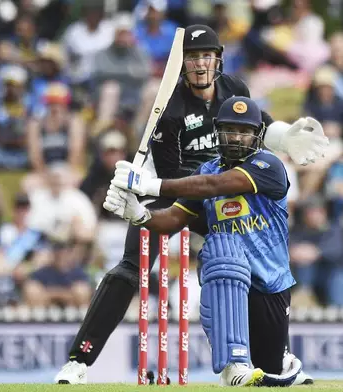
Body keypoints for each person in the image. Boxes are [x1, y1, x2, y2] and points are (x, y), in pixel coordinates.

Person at [54, 24, 326, 384]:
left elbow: (257, 126)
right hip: (172, 190)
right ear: (182, 65)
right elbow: (172, 177)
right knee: (129, 270)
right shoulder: (170, 108)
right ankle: (79, 361)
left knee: (256, 256)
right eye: (193, 57)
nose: (200, 65)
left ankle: (276, 353)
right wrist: (144, 203)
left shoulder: (235, 89)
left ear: (218, 61)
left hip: (224, 189)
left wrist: (284, 136)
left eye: (206, 57)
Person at [104, 96, 309, 386]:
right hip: (228, 278)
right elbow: (173, 220)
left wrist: (150, 184)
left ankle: (284, 364)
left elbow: (217, 185)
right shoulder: (207, 169)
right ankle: (234, 362)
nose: (237, 137)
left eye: (244, 131)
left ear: (257, 135)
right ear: (217, 131)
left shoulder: (268, 165)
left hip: (271, 284)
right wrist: (138, 214)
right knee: (222, 249)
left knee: (268, 371)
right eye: (230, 129)